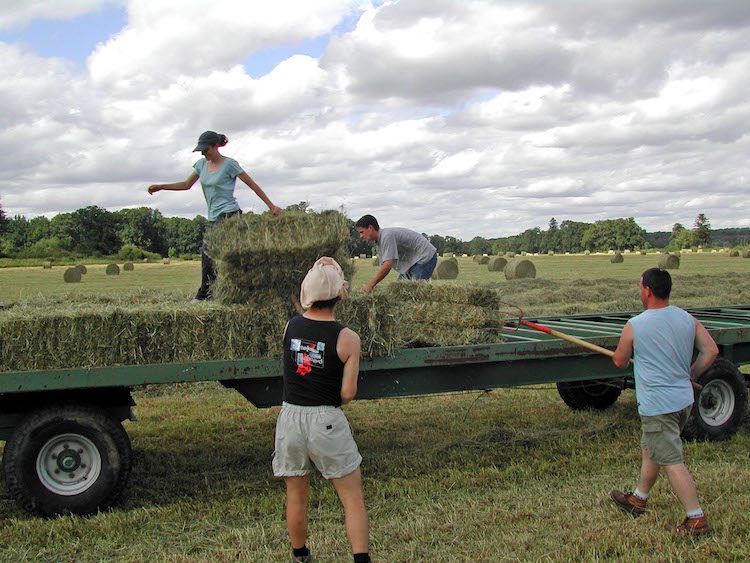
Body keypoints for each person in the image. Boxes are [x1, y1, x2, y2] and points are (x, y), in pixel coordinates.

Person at [273, 257, 371, 563]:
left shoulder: (290, 326)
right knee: (352, 498)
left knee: (297, 496)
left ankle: (300, 556)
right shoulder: (348, 338)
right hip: (325, 418)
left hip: (289, 418)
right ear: (340, 295)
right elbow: (348, 393)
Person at [610, 267, 718, 536]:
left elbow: (620, 361)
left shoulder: (636, 324)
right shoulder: (686, 318)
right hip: (683, 400)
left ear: (647, 290)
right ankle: (638, 498)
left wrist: (620, 353)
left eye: (639, 287)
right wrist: (690, 373)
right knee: (652, 448)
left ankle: (696, 519)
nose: (640, 291)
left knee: (670, 459)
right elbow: (711, 350)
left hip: (659, 404)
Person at [147, 130, 282, 300]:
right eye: (201, 150)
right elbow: (186, 184)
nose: (203, 153)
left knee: (208, 251)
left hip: (230, 215)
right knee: (217, 255)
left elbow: (253, 185)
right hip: (213, 217)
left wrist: (271, 206)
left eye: (205, 149)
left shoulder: (230, 164)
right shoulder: (201, 165)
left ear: (215, 146)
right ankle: (221, 292)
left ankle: (204, 294)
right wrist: (161, 186)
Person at [355, 214, 437, 292]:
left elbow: (387, 265)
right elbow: (383, 267)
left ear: (370, 228)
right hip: (413, 262)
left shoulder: (386, 236)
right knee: (399, 291)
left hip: (424, 257)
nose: (361, 236)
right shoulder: (379, 242)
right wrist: (373, 285)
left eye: (361, 232)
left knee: (415, 293)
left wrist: (371, 285)